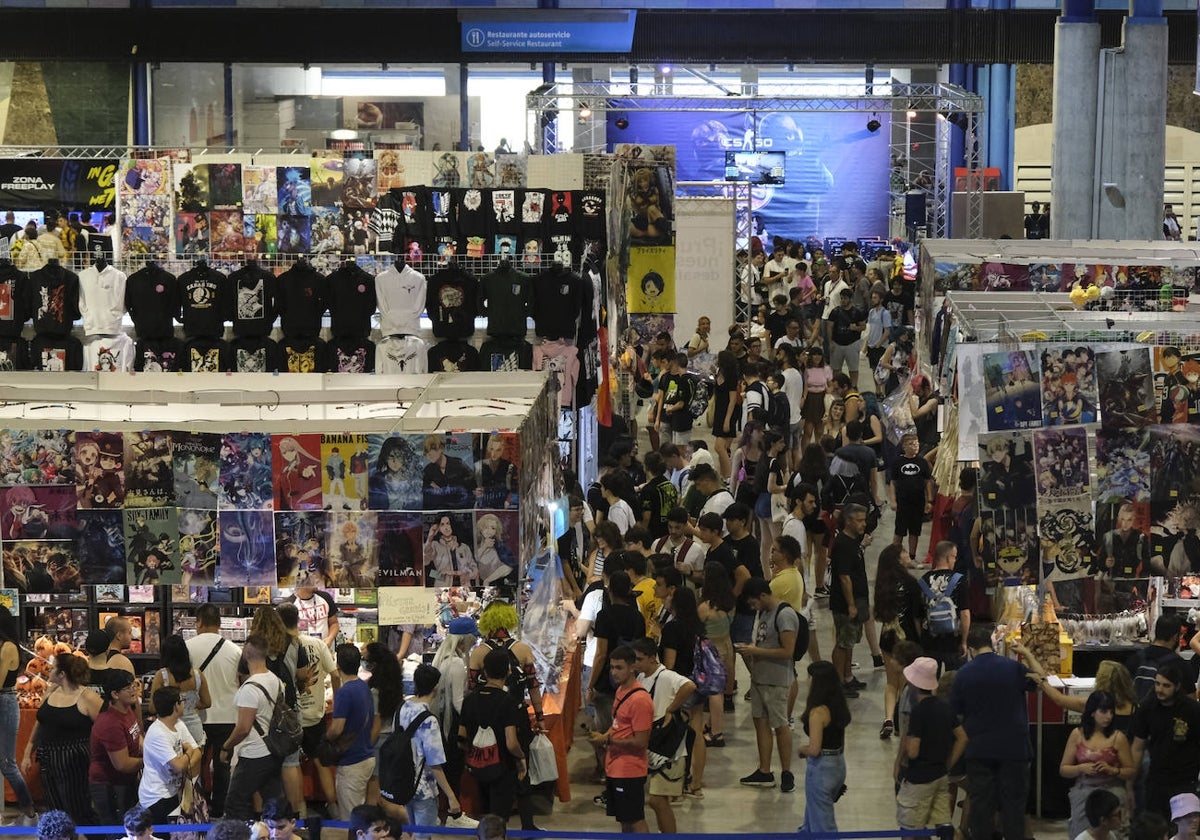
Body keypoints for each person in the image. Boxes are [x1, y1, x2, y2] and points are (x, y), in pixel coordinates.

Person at [951, 624, 1037, 840]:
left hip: (980, 750)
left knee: (981, 809)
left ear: (970, 649)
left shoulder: (962, 675)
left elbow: (955, 715)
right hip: (1015, 749)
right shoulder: (1013, 668)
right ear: (992, 645)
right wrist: (1026, 653)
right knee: (1014, 809)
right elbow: (1040, 679)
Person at [22, 652, 102, 824]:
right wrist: (28, 752)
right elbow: (41, 723)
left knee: (79, 810)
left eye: (53, 668)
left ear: (62, 674)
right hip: (48, 758)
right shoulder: (50, 692)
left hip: (75, 761)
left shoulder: (88, 697)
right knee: (55, 809)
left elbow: (104, 729)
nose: (48, 670)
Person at [736, 577, 799, 791]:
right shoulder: (763, 612)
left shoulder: (785, 615)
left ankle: (787, 771)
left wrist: (755, 651)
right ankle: (764, 771)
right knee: (760, 722)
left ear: (763, 596)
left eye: (754, 603)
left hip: (777, 680)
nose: (753, 607)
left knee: (780, 725)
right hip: (759, 677)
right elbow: (764, 640)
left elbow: (788, 651)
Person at [184, 603, 243, 817]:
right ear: (219, 624)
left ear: (198, 622)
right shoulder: (235, 650)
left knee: (193, 764)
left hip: (195, 716)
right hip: (227, 716)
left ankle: (197, 807)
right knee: (222, 765)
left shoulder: (187, 648)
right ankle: (219, 809)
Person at [279, 602, 339, 809]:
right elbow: (335, 674)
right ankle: (332, 805)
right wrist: (337, 699)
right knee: (320, 761)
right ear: (298, 619)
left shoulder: (279, 648)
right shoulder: (317, 644)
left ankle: (298, 809)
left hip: (290, 716)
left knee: (290, 763)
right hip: (315, 714)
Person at [631, 638, 695, 832]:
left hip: (669, 751)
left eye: (639, 659)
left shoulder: (666, 676)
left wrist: (670, 709)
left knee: (658, 801)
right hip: (654, 747)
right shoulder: (642, 678)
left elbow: (689, 686)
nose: (635, 663)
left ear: (652, 658)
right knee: (657, 801)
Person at [458, 649, 527, 828]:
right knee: (498, 821)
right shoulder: (508, 702)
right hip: (502, 768)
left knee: (485, 816)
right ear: (509, 671)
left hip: (477, 768)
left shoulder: (469, 700)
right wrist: (521, 759)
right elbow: (511, 743)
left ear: (485, 672)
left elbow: (462, 737)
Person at [589, 645, 654, 833]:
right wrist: (604, 736)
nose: (614, 673)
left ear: (632, 667)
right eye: (612, 668)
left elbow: (641, 741)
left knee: (635, 820)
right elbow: (617, 725)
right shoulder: (620, 692)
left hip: (630, 770)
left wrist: (607, 741)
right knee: (625, 820)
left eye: (619, 668)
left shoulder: (640, 700)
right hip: (615, 767)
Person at [895, 656, 966, 829]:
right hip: (941, 776)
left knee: (910, 826)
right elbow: (962, 738)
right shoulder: (945, 708)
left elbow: (913, 751)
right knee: (944, 824)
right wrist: (948, 764)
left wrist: (901, 757)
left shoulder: (918, 712)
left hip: (919, 779)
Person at [220, 633, 285, 820]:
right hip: (273, 750)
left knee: (235, 803)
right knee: (273, 804)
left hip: (254, 754)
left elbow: (243, 728)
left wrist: (226, 746)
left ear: (246, 655)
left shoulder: (250, 688)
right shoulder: (276, 680)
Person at [1058, 690, 1137, 839]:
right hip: (1084, 792)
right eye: (1103, 711)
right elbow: (1063, 769)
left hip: (1111, 792)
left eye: (1111, 712)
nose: (1108, 716)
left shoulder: (1118, 738)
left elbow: (1131, 771)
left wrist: (1113, 770)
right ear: (1092, 712)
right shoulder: (1077, 735)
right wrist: (1080, 768)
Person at [398, 664, 465, 836]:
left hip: (404, 781)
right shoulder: (429, 720)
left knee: (414, 832)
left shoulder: (401, 708)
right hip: (423, 788)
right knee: (423, 835)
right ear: (436, 687)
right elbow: (435, 763)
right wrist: (451, 796)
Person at [1131, 659, 1200, 820]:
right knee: (1154, 826)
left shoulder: (1192, 709)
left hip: (1185, 779)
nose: (1159, 689)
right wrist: (1130, 782)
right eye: (1157, 684)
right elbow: (1137, 747)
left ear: (1177, 687)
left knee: (1182, 827)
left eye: (1166, 685)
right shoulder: (1147, 707)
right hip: (1156, 777)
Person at [873, 544, 925, 740]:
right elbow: (916, 616)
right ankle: (900, 718)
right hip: (908, 638)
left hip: (887, 637)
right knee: (906, 681)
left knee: (891, 682)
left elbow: (878, 614)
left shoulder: (882, 583)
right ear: (897, 558)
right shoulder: (911, 583)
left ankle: (887, 719)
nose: (907, 555)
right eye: (904, 552)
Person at [798, 660, 851, 832]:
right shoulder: (838, 705)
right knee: (812, 818)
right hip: (838, 765)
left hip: (821, 769)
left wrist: (801, 750)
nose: (807, 680)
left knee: (822, 825)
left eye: (810, 677)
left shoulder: (817, 713)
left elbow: (814, 749)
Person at [328, 643, 377, 820]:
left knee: (351, 819)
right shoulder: (364, 687)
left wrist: (326, 739)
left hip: (352, 761)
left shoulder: (344, 693)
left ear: (338, 665)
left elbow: (337, 727)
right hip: (367, 756)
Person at [89, 669, 144, 825]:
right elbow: (122, 764)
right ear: (115, 694)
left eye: (134, 685)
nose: (134, 690)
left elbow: (137, 736)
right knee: (117, 829)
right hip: (109, 786)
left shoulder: (127, 710)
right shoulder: (110, 723)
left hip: (125, 782)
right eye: (128, 688)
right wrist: (149, 760)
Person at [139, 687, 201, 822]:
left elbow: (198, 752)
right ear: (176, 706)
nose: (184, 703)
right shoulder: (157, 733)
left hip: (172, 791)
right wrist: (188, 752)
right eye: (182, 700)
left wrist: (186, 762)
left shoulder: (178, 724)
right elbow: (179, 765)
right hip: (156, 797)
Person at [829, 503, 870, 697]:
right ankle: (838, 682)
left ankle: (848, 676)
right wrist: (851, 604)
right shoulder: (843, 544)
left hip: (857, 600)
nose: (864, 524)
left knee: (850, 641)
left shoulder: (853, 541)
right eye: (860, 520)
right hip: (845, 604)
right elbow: (844, 577)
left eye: (864, 520)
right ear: (848, 521)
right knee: (843, 642)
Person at [150, 635, 211, 747]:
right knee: (195, 759)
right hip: (194, 727)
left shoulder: (162, 676)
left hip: (169, 726)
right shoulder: (197, 675)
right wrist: (190, 704)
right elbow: (207, 702)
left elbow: (152, 708)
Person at [919, 541, 970, 668]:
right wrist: (964, 641)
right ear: (948, 557)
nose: (955, 560)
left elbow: (917, 616)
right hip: (953, 643)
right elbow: (965, 614)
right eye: (954, 557)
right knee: (953, 682)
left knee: (927, 683)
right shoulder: (959, 579)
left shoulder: (923, 581)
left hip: (929, 643)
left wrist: (922, 640)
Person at [889, 433, 934, 558]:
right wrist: (893, 500)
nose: (915, 446)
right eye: (911, 444)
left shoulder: (922, 462)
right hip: (903, 502)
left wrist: (929, 500)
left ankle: (912, 556)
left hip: (918, 502)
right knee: (900, 531)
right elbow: (893, 482)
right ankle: (894, 556)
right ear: (904, 446)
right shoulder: (898, 462)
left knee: (915, 531)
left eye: (916, 444)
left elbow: (927, 482)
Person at [1127, 615, 1189, 703]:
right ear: (1175, 637)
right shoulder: (1179, 664)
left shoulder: (1136, 658)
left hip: (1138, 713)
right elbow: (1191, 700)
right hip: (1167, 715)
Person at [711, 350, 742, 477]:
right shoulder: (719, 373)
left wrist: (727, 420)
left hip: (728, 411)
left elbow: (733, 399)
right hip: (719, 410)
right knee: (724, 449)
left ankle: (730, 476)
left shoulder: (731, 376)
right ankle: (724, 475)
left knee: (719, 447)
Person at [640, 452, 679, 540]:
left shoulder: (648, 490)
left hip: (654, 535)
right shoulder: (670, 485)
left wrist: (641, 535)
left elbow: (646, 518)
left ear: (646, 467)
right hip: (669, 532)